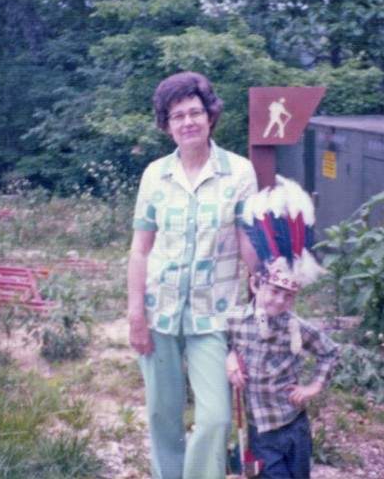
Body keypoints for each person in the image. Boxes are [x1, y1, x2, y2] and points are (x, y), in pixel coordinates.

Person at [128, 71, 259, 479]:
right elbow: (140, 248)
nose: (188, 122)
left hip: (214, 316)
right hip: (159, 310)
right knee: (162, 414)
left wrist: (261, 297)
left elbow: (247, 244)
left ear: (210, 116)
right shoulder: (155, 175)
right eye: (177, 115)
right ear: (167, 125)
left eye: (195, 112)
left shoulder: (239, 173)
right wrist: (136, 314)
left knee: (217, 417)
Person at [225, 260, 338, 479]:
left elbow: (330, 351)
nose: (279, 301)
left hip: (295, 423)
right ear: (256, 284)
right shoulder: (234, 320)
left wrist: (313, 387)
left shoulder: (295, 326)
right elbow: (219, 342)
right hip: (261, 429)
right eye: (275, 291)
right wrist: (228, 357)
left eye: (288, 296)